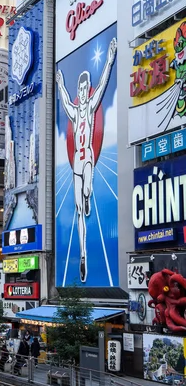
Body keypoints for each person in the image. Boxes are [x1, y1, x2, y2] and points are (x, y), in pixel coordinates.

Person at [56, 37, 117, 282]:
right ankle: (82, 255)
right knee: (80, 211)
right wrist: (60, 83)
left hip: (88, 158)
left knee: (87, 191)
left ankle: (89, 194)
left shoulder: (91, 107)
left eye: (84, 89)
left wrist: (110, 58)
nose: (82, 93)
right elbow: (62, 99)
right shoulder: (73, 111)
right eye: (79, 90)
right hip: (76, 166)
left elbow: (102, 84)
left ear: (87, 90)